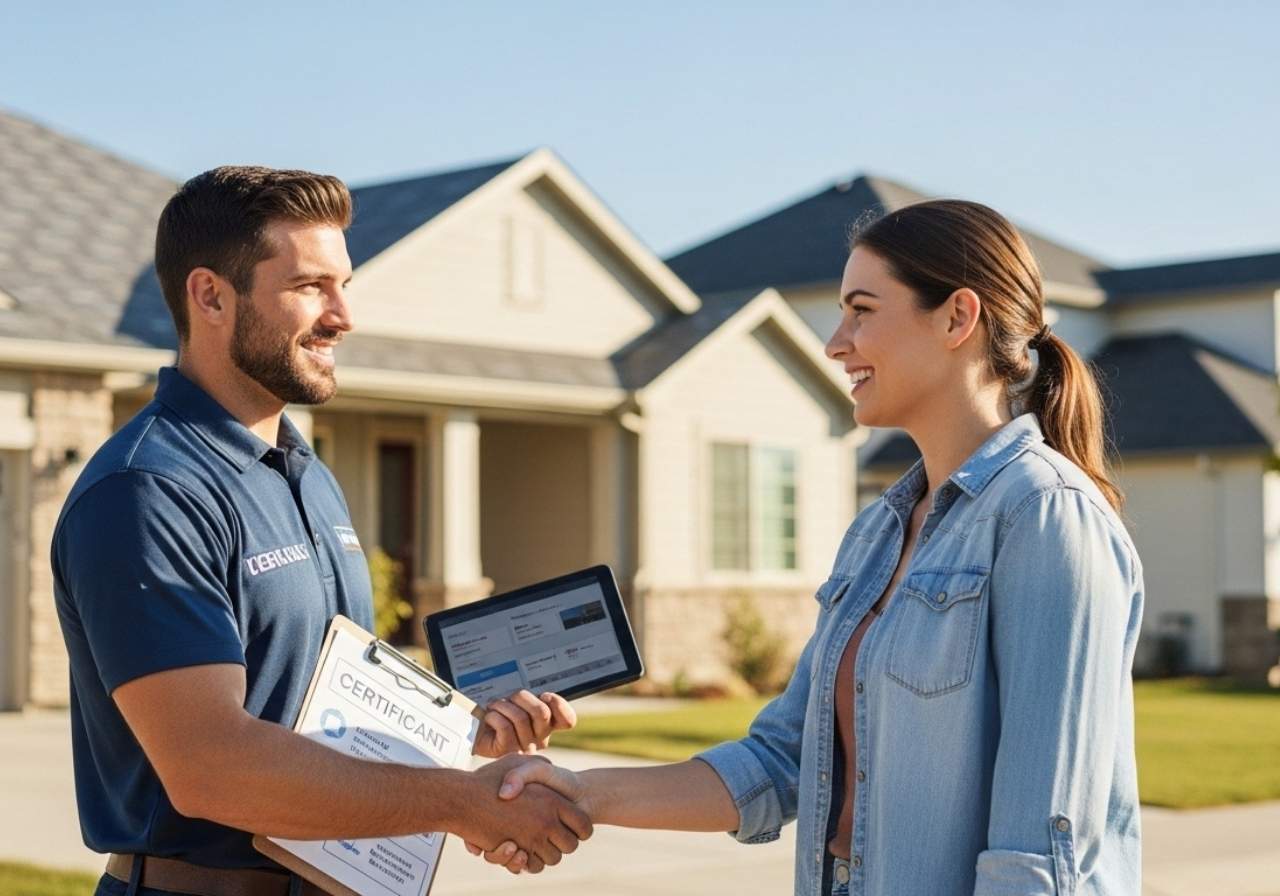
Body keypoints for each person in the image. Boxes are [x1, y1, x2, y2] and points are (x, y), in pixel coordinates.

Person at [473, 200, 1144, 895]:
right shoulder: (878, 531)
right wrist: (578, 791)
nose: (835, 342)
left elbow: (1040, 850)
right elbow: (779, 761)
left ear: (957, 318)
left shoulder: (1047, 517)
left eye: (862, 310)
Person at [52, 166, 590, 896]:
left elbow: (321, 704)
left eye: (344, 284)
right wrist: (462, 805)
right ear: (210, 295)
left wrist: (457, 737)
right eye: (310, 287)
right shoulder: (148, 491)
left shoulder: (305, 471)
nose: (343, 315)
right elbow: (213, 768)